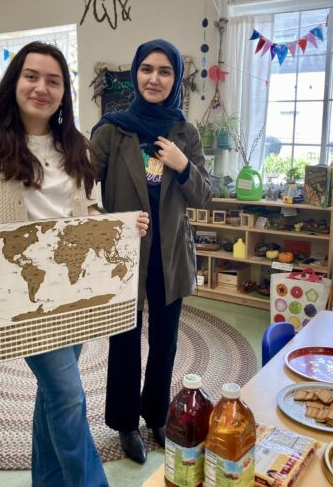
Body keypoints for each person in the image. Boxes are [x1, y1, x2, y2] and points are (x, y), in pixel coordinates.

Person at [0, 41, 148, 487]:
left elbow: (89, 212)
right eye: (31, 76)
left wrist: (120, 229)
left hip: (71, 290)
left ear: (64, 92)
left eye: (53, 81)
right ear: (14, 81)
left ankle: (47, 481)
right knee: (69, 395)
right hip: (19, 291)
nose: (41, 87)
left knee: (55, 393)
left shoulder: (77, 145)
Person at [90, 39, 212, 464]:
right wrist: (111, 223)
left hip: (170, 253)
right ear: (135, 74)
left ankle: (157, 414)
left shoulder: (184, 132)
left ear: (176, 79)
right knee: (124, 342)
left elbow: (203, 196)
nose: (154, 78)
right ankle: (125, 423)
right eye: (146, 69)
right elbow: (83, 189)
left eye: (164, 71)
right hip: (124, 255)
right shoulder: (112, 129)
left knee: (165, 342)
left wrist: (182, 164)